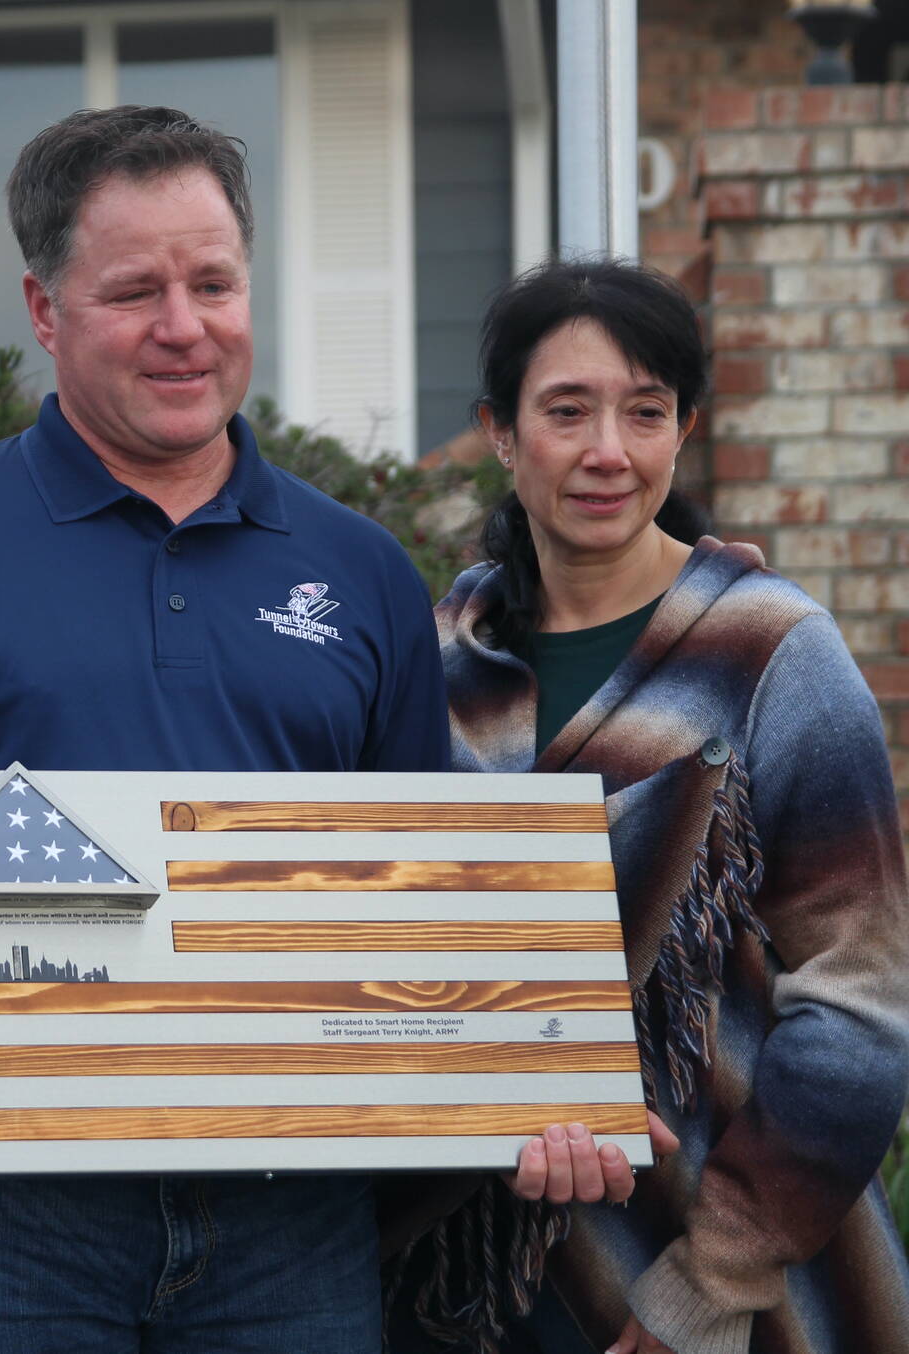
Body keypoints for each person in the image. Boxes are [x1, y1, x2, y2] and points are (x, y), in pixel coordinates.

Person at [0, 104, 460, 1351]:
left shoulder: (363, 572)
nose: (182, 327)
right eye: (133, 290)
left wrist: (534, 1082)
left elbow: (424, 881)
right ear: (42, 311)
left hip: (289, 1224)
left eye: (213, 283)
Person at [415, 256, 909, 1354]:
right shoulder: (442, 661)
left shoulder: (772, 653)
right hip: (472, 1284)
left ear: (681, 430)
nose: (606, 451)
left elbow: (859, 1007)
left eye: (644, 412)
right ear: (498, 431)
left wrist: (705, 1285)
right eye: (565, 410)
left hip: (730, 1279)